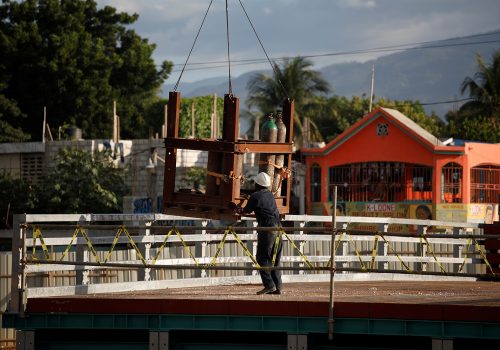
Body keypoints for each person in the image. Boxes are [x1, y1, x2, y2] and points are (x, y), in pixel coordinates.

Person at [235, 172, 283, 295]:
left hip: (267, 229)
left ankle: (269, 285)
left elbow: (244, 211)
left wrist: (235, 208)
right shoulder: (270, 195)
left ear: (257, 184)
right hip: (278, 228)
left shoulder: (255, 196)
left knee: (262, 257)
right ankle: (278, 287)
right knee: (274, 258)